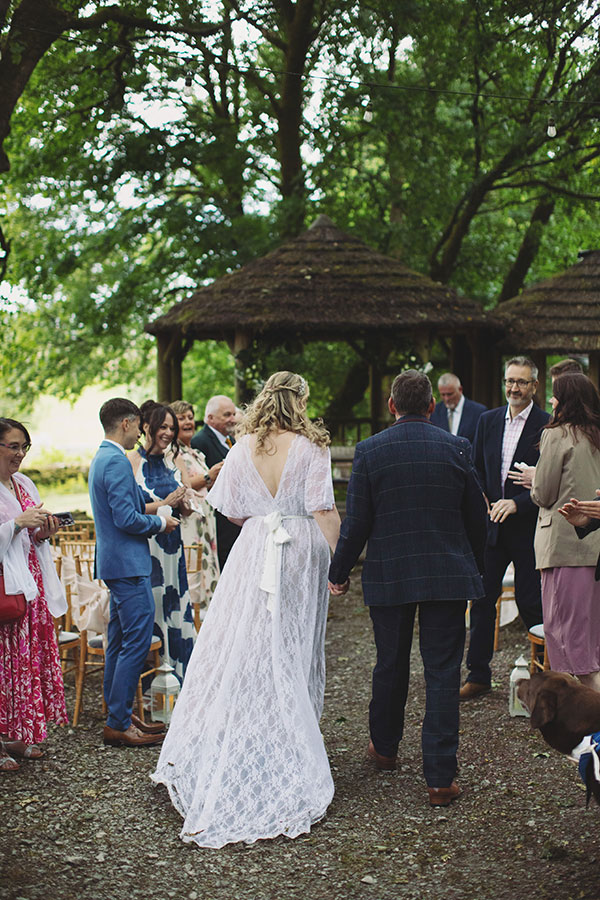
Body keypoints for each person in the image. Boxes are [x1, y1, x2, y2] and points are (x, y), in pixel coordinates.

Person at [151, 371, 340, 847]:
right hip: (300, 548)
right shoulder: (310, 446)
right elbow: (323, 508)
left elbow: (230, 508)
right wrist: (340, 563)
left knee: (251, 639)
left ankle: (254, 737)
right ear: (299, 401)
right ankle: (284, 744)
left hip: (257, 544)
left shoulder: (242, 447)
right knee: (291, 640)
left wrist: (263, 511)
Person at [328, 370, 487, 807]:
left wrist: (338, 571)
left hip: (390, 573)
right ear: (432, 406)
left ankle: (384, 748)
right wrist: (469, 559)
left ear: (392, 406)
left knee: (390, 663)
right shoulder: (455, 446)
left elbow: (357, 521)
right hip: (446, 575)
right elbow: (478, 516)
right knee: (441, 672)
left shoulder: (370, 450)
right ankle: (439, 777)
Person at [89, 398, 178, 747]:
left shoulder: (105, 458)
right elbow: (126, 518)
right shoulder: (115, 461)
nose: (142, 431)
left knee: (120, 642)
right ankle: (118, 721)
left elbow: (136, 500)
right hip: (127, 564)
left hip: (119, 563)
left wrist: (166, 502)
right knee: (137, 641)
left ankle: (121, 716)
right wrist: (161, 521)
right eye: (140, 425)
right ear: (126, 423)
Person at [460, 356, 550, 700]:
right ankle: (479, 675)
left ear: (534, 386)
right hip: (490, 525)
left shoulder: (547, 425)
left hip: (527, 527)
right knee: (482, 601)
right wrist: (482, 497)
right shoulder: (487, 420)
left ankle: (545, 679)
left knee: (531, 602)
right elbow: (475, 467)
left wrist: (518, 503)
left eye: (522, 382)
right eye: (510, 381)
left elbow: (552, 480)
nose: (514, 388)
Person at [0, 418, 67, 772]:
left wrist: (43, 530)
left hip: (31, 583)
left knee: (24, 663)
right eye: (13, 446)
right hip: (4, 587)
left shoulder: (23, 483)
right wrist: (15, 524)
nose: (21, 454)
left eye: (25, 447)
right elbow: (12, 530)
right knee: (3, 665)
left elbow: (30, 536)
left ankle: (17, 734)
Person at [531, 374, 600, 690]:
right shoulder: (596, 435)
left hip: (563, 547)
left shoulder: (557, 435)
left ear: (566, 399)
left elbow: (543, 494)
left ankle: (585, 727)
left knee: (567, 643)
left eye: (555, 395)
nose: (551, 401)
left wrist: (533, 478)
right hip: (595, 546)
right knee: (591, 640)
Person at [129, 402, 197, 682]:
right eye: (163, 427)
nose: (168, 432)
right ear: (147, 427)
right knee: (154, 607)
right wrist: (164, 504)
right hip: (147, 547)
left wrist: (186, 502)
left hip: (173, 546)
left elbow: (189, 507)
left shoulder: (175, 460)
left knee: (175, 606)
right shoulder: (131, 461)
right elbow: (128, 510)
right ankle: (150, 685)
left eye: (172, 427)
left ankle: (180, 680)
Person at [168, 400, 221, 617]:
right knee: (195, 574)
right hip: (190, 524)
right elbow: (183, 487)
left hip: (206, 524)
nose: (188, 421)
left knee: (209, 569)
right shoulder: (172, 454)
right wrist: (209, 476)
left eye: (190, 417)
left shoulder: (196, 453)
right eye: (181, 418)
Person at [191, 395, 240, 567]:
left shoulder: (231, 440)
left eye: (233, 414)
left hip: (233, 517)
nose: (233, 419)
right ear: (210, 418)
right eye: (227, 415)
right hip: (217, 519)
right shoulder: (200, 442)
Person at [430, 373, 487, 443]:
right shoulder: (435, 411)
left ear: (460, 389)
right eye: (443, 394)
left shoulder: (478, 412)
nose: (446, 398)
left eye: (449, 394)